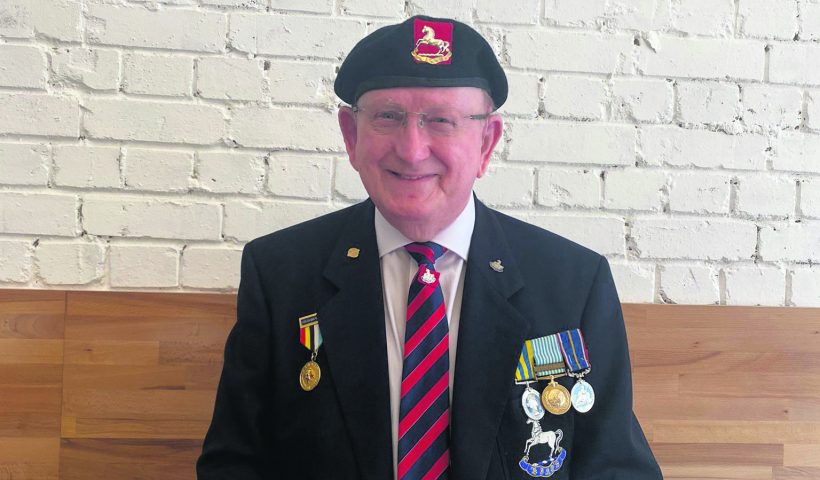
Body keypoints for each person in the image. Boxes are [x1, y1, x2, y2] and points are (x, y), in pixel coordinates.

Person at [197, 15, 662, 480]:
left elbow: (618, 469)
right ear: (351, 136)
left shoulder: (574, 284)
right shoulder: (279, 274)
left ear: (486, 143)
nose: (412, 149)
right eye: (388, 117)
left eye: (441, 120)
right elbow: (232, 464)